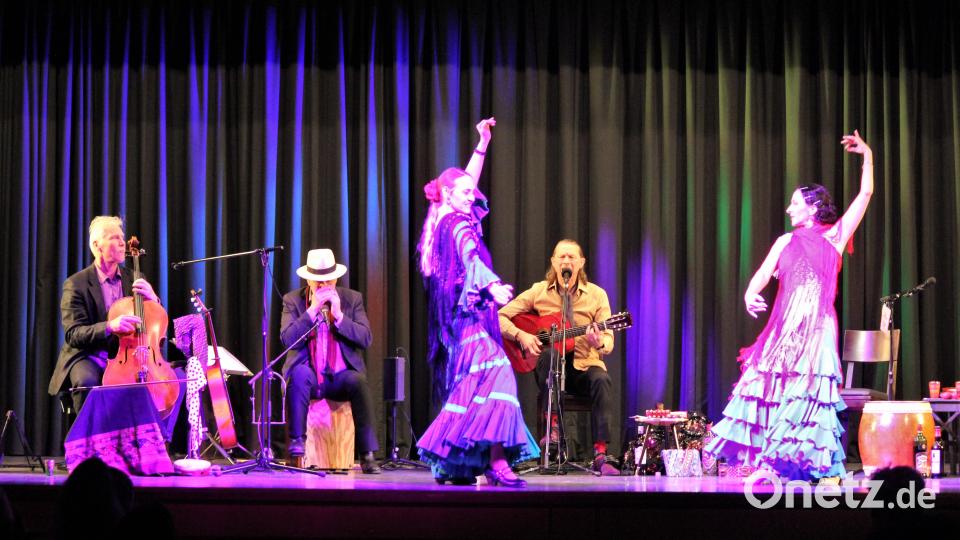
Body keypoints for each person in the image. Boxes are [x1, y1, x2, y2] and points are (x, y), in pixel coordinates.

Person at [704, 130, 875, 481]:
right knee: (770, 389)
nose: (788, 209)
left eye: (795, 203)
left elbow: (866, 194)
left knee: (809, 394)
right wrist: (749, 294)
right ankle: (775, 463)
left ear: (813, 208)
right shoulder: (785, 241)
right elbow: (761, 274)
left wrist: (867, 156)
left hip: (817, 327)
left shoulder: (835, 237)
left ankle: (811, 464)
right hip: (784, 328)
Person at [416, 117, 539, 487]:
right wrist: (492, 285)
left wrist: (482, 144)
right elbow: (470, 257)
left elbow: (465, 181)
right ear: (449, 195)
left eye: (473, 192)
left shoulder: (446, 217)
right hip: (468, 317)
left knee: (473, 388)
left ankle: (453, 463)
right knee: (499, 374)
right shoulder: (457, 224)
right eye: (466, 193)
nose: (473, 196)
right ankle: (496, 463)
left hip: (461, 319)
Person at [498, 239, 619, 475]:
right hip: (550, 369)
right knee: (550, 354)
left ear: (581, 263)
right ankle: (552, 432)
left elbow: (609, 341)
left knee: (602, 379)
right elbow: (500, 316)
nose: (566, 261)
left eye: (572, 257)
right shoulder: (539, 291)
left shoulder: (597, 295)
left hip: (585, 366)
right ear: (553, 262)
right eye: (561, 256)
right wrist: (522, 335)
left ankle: (601, 453)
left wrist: (598, 341)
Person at [280, 248, 381, 474]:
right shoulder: (293, 301)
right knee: (299, 374)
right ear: (308, 280)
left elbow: (366, 338)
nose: (324, 285)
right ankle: (297, 442)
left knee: (358, 381)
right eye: (319, 282)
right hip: (309, 375)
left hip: (339, 377)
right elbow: (287, 340)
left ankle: (367, 454)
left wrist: (340, 317)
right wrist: (312, 311)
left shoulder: (352, 299)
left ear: (336, 279)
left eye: (329, 280)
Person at [49, 216, 162, 414]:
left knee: (161, 384)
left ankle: (145, 434)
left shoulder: (135, 278)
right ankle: (89, 434)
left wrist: (154, 300)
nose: (122, 243)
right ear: (97, 245)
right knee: (87, 382)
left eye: (122, 237)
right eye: (114, 238)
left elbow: (155, 323)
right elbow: (74, 334)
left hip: (128, 355)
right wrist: (110, 326)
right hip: (89, 355)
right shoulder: (76, 284)